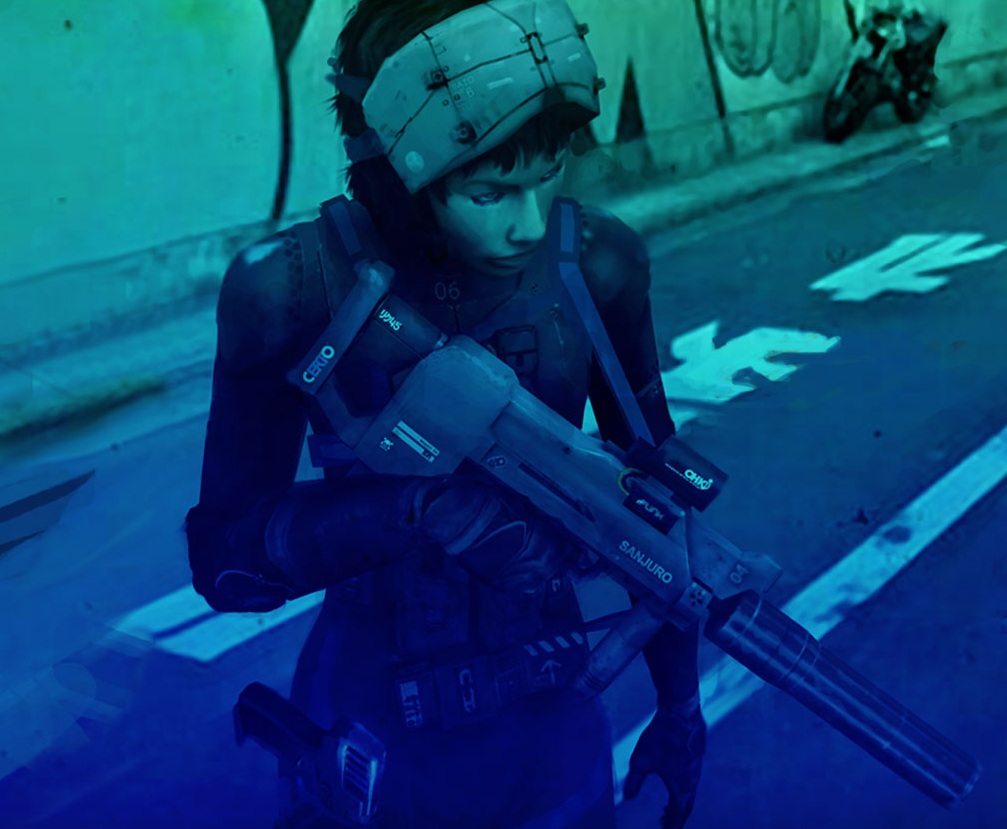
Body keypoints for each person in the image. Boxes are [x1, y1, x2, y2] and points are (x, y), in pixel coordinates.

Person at [185, 1, 706, 826]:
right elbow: (226, 561)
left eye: (547, 174)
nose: (526, 224)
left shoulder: (593, 263)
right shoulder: (292, 288)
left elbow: (654, 507)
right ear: (400, 169)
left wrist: (678, 707)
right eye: (489, 191)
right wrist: (417, 511)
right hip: (369, 714)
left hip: (553, 701)